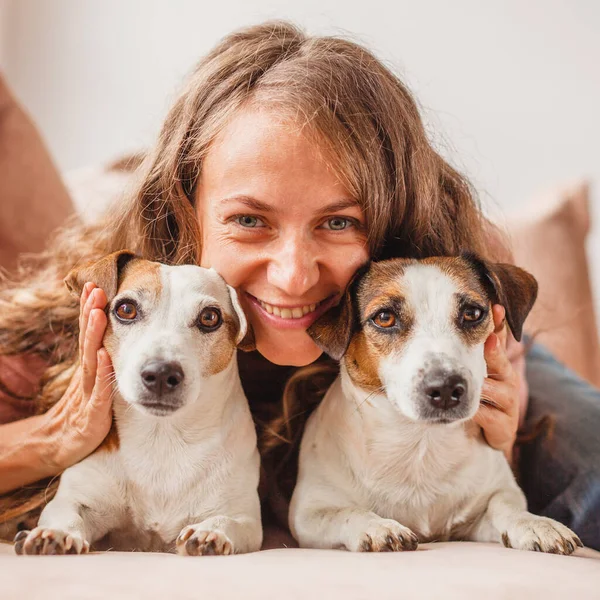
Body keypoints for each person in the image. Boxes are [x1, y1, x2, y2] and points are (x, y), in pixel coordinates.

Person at [0, 21, 598, 549]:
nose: (292, 276)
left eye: (339, 221)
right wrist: (51, 438)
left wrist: (503, 442)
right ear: (187, 211)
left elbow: (489, 473)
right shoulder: (95, 321)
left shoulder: (462, 289)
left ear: (391, 217)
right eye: (250, 220)